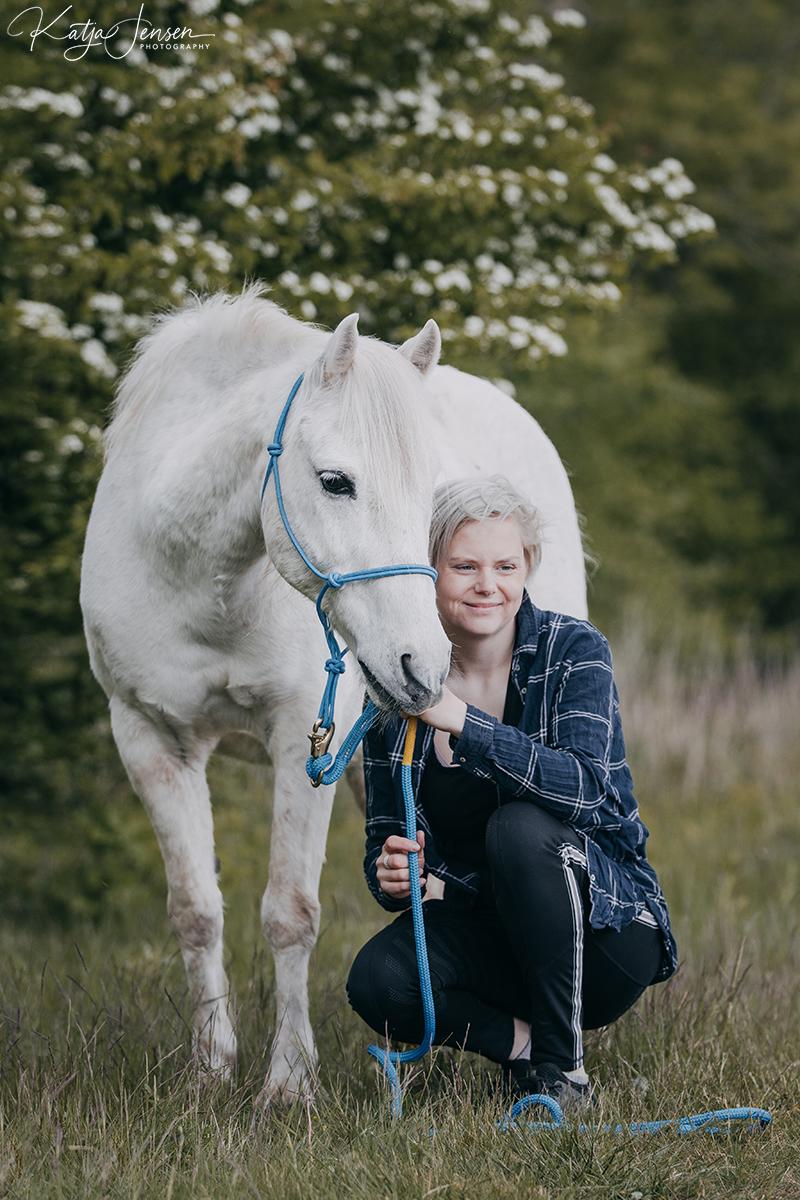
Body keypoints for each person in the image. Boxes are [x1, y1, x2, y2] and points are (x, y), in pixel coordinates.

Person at [346, 475, 677, 1107]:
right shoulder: (395, 685)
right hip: (488, 933)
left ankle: (565, 1073)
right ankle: (524, 1048)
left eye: (505, 565)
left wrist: (462, 723)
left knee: (520, 828)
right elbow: (382, 846)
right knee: (378, 982)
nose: (486, 585)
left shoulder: (575, 650)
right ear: (429, 571)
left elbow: (585, 791)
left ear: (527, 569)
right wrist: (392, 874)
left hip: (603, 937)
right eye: (464, 565)